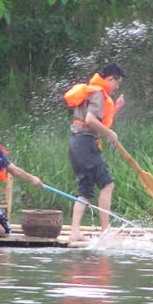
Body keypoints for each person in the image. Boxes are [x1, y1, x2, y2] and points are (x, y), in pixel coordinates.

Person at [64, 63, 126, 242]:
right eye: (117, 83)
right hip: (85, 144)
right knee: (107, 184)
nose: (117, 87)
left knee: (85, 190)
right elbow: (90, 120)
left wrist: (116, 109)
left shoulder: (92, 91)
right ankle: (106, 232)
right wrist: (110, 134)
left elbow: (93, 118)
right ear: (110, 79)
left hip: (76, 144)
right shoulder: (98, 93)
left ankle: (75, 231)